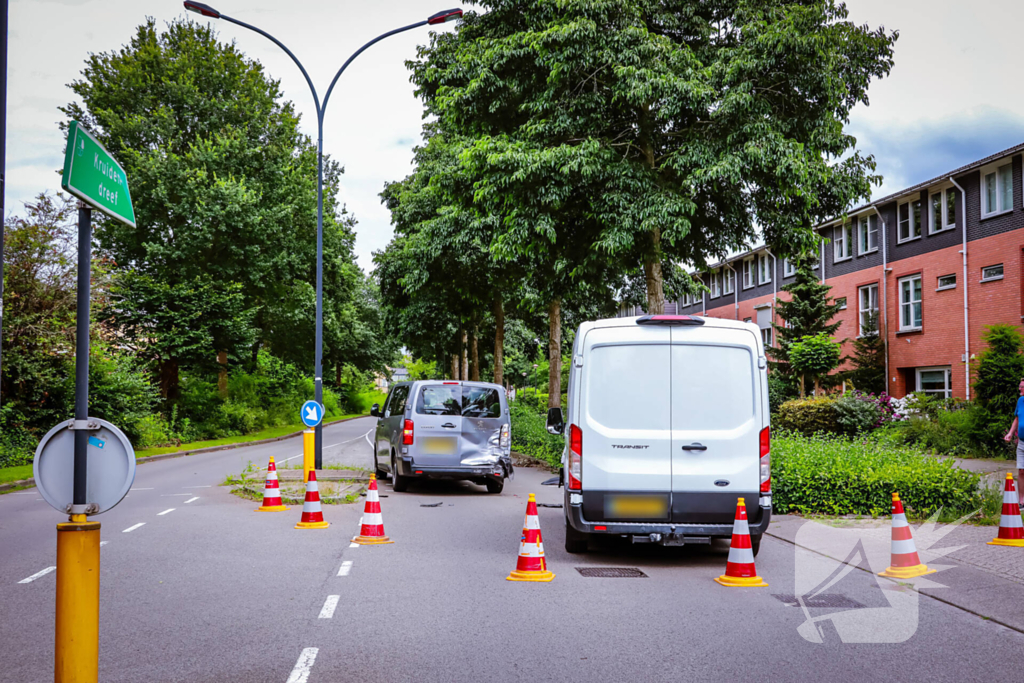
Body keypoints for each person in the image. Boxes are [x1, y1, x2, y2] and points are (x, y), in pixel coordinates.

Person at [1003, 377, 1024, 507]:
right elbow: (1017, 419)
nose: (1019, 389)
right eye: (1019, 386)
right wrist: (1010, 433)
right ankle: (1022, 501)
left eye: (1022, 387)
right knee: (1021, 471)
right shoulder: (1021, 401)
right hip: (1022, 442)